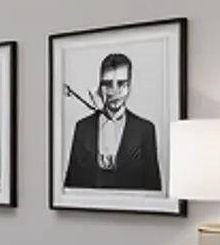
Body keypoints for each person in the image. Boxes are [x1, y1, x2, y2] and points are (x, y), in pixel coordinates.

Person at [63, 52, 161, 190]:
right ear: (99, 86)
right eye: (107, 84)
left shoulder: (145, 130)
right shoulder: (82, 127)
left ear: (130, 86)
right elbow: (71, 184)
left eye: (121, 84)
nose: (114, 91)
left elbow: (153, 185)